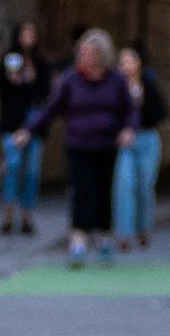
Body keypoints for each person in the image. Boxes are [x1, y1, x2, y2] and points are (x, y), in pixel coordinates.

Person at [27, 28, 134, 266]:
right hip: (78, 144)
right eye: (80, 53)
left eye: (87, 54)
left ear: (100, 55)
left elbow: (130, 110)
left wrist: (128, 129)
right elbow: (51, 108)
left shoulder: (115, 80)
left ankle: (105, 236)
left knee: (103, 192)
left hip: (106, 144)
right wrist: (28, 130)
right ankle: (78, 241)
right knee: (82, 191)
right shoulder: (71, 79)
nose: (81, 58)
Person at [111, 47, 168, 249]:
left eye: (129, 61)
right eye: (122, 62)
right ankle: (123, 233)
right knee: (124, 185)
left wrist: (141, 103)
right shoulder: (115, 89)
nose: (125, 66)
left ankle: (143, 228)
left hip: (147, 138)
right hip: (126, 141)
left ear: (138, 64)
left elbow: (160, 112)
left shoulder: (148, 86)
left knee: (145, 186)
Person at [0, 19, 45, 237]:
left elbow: (45, 93)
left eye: (32, 34)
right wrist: (16, 80)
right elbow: (3, 88)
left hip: (33, 126)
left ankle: (26, 217)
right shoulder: (9, 59)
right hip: (12, 124)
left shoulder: (40, 63)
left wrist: (31, 81)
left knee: (31, 173)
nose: (28, 39)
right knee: (12, 168)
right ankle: (7, 216)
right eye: (25, 34)